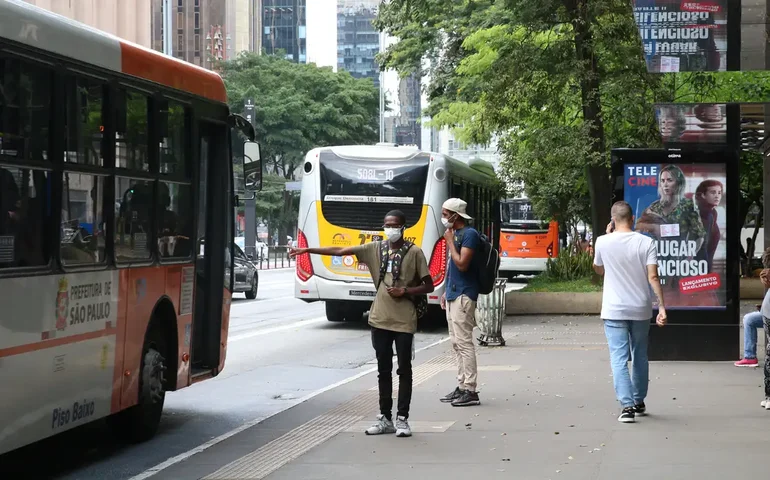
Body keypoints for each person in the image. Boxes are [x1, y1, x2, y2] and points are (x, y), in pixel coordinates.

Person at [289, 210, 433, 437]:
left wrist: (405, 290)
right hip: (379, 319)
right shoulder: (375, 249)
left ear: (403, 227)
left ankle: (402, 419)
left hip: (404, 320)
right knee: (383, 370)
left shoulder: (415, 253)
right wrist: (307, 250)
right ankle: (385, 418)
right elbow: (338, 250)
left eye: (394, 225)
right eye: (386, 225)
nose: (390, 229)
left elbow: (429, 285)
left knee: (404, 370)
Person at [594, 201, 667, 423]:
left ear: (612, 220)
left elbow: (598, 269)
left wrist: (606, 237)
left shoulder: (602, 242)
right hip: (640, 308)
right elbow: (653, 277)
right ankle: (639, 400)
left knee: (618, 357)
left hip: (614, 309)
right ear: (632, 218)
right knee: (640, 354)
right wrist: (662, 306)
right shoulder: (646, 243)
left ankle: (627, 408)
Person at [439, 198, 482, 407]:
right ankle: (462, 384)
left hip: (464, 295)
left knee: (464, 343)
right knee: (456, 344)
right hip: (453, 294)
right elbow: (451, 268)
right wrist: (445, 293)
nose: (443, 217)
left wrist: (449, 242)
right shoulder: (455, 234)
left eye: (446, 214)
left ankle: (471, 389)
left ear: (456, 215)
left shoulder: (469, 235)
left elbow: (462, 265)